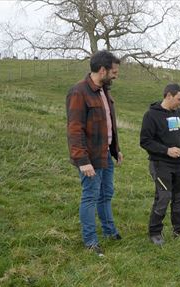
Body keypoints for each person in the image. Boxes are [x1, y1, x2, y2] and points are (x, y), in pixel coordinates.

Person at [66, 50, 123, 256]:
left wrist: (115, 149)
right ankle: (90, 241)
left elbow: (107, 123)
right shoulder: (78, 92)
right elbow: (74, 129)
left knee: (106, 194)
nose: (116, 75)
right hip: (89, 157)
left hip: (105, 153)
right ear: (102, 70)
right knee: (90, 196)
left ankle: (109, 231)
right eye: (114, 71)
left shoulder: (104, 90)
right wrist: (82, 160)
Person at [140, 83, 180, 245]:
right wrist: (166, 150)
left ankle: (179, 231)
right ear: (168, 96)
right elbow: (145, 141)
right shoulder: (151, 115)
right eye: (179, 99)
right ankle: (155, 232)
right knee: (164, 197)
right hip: (161, 164)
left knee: (179, 198)